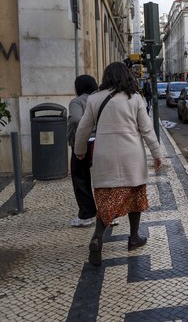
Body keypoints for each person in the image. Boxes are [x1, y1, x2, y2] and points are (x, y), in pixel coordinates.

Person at [74, 62, 163, 267]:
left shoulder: (95, 98)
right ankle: (133, 238)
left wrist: (79, 151)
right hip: (131, 156)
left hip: (105, 156)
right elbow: (147, 130)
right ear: (127, 77)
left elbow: (82, 129)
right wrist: (157, 155)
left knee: (106, 199)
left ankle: (97, 237)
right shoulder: (135, 98)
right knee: (135, 195)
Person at [67, 75, 98, 227]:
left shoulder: (77, 101)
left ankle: (87, 214)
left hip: (84, 144)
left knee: (81, 179)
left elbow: (74, 120)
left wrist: (74, 138)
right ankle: (110, 214)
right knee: (104, 179)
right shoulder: (100, 99)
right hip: (102, 143)